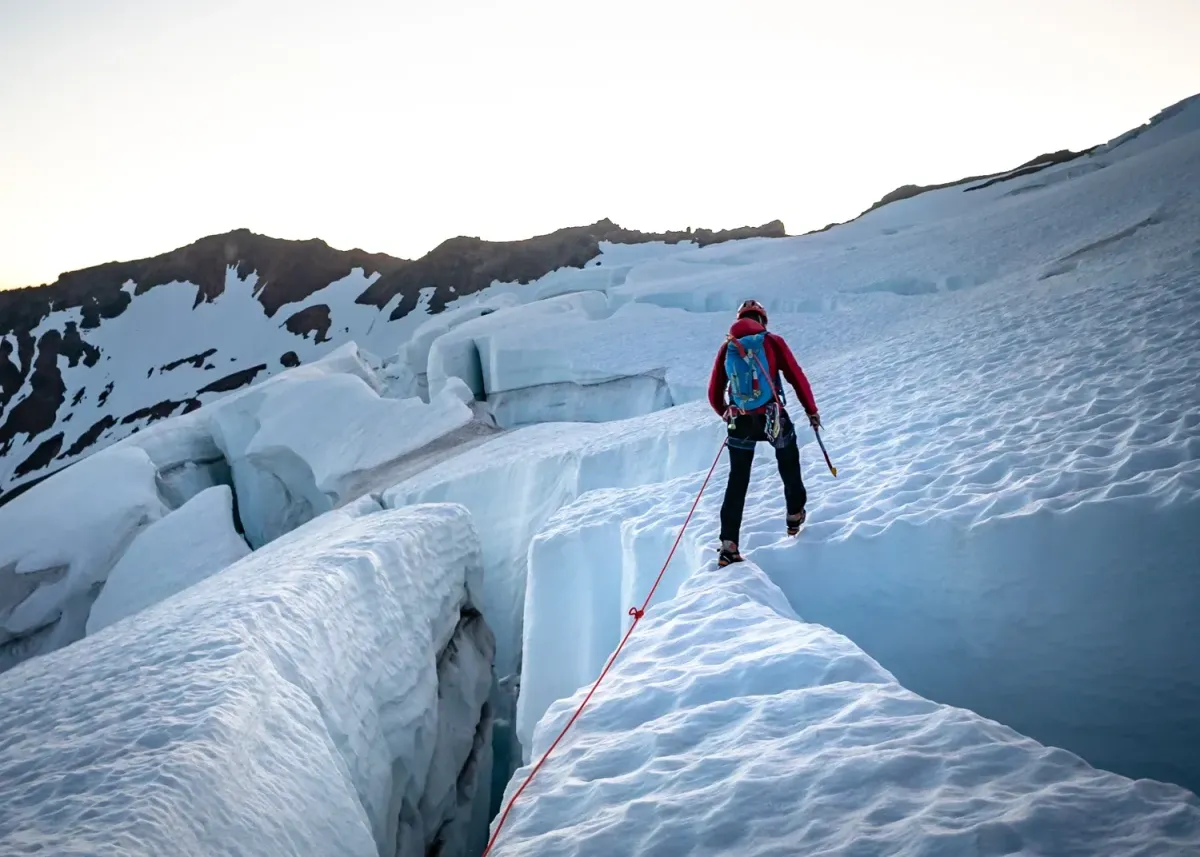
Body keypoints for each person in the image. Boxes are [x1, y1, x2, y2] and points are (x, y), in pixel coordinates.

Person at [707, 299, 821, 567]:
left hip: (740, 421)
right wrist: (811, 410)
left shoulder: (728, 347)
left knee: (737, 480)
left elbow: (714, 391)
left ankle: (728, 545)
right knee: (788, 463)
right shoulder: (772, 341)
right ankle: (794, 513)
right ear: (762, 320)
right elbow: (796, 376)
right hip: (773, 417)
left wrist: (726, 412)